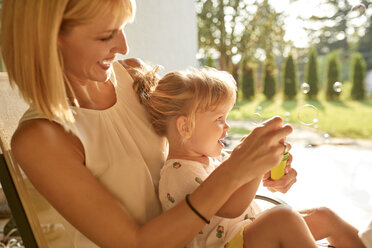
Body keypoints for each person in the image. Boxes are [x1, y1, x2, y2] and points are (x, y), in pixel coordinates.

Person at [0, 0, 296, 247]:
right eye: (106, 35)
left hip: (204, 239)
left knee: (315, 219)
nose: (123, 45)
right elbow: (136, 243)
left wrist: (255, 166)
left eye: (123, 28)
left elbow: (192, 150)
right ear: (49, 38)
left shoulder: (134, 77)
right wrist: (235, 172)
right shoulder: (42, 138)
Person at [133, 66, 319, 247]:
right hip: (228, 244)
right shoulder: (178, 173)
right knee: (284, 217)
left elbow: (241, 160)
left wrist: (273, 161)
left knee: (323, 216)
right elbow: (231, 208)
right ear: (185, 127)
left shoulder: (213, 158)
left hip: (247, 234)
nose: (227, 127)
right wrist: (256, 167)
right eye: (219, 119)